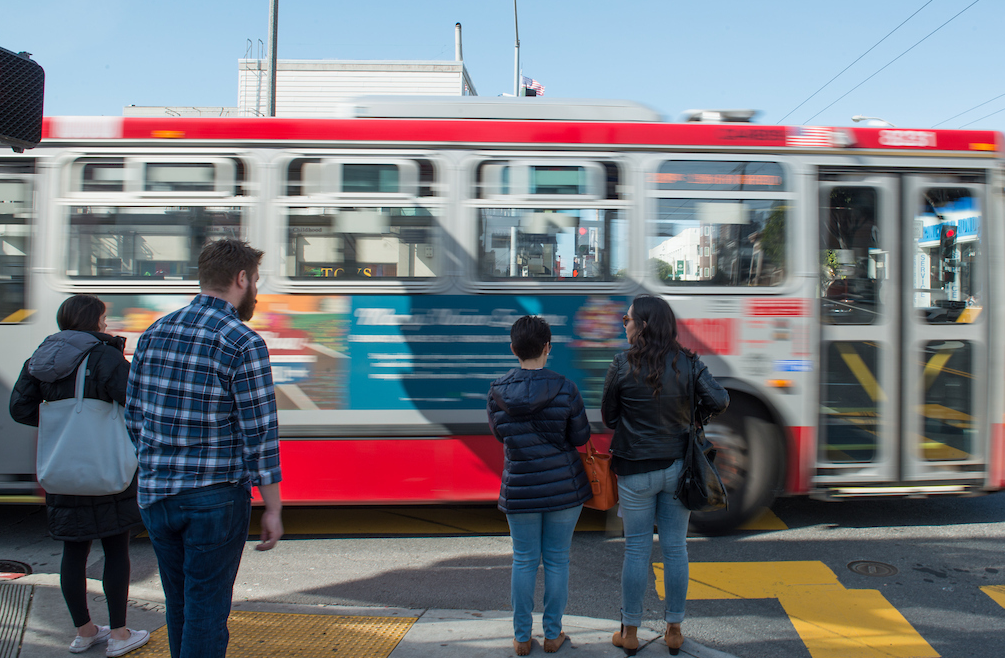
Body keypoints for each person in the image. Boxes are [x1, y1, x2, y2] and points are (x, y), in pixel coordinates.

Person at [125, 239, 283, 658]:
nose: (255, 291)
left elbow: (134, 418)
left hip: (156, 494)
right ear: (242, 278)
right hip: (214, 497)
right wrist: (273, 507)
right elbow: (260, 433)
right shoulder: (243, 342)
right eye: (256, 282)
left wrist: (161, 462)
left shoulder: (155, 332)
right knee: (207, 611)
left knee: (179, 606)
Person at [9, 294, 150, 657]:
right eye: (103, 317)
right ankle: (119, 634)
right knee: (116, 548)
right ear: (94, 321)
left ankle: (84, 631)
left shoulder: (40, 358)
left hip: (62, 469)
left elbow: (20, 408)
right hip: (104, 466)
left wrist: (61, 426)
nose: (106, 323)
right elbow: (136, 403)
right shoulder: (105, 357)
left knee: (73, 550)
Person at [601, 295, 729, 656]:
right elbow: (719, 400)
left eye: (626, 320)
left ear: (642, 325)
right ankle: (673, 630)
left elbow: (610, 417)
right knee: (675, 548)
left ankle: (629, 631)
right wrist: (693, 417)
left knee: (637, 549)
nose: (622, 325)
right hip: (679, 469)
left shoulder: (621, 364)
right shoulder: (689, 363)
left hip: (634, 471)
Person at [487, 315, 593, 655]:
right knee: (558, 560)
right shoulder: (566, 388)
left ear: (514, 349)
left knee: (524, 560)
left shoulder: (497, 391)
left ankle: (521, 638)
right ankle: (552, 634)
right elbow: (580, 437)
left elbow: (500, 434)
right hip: (564, 487)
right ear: (548, 347)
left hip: (520, 487)